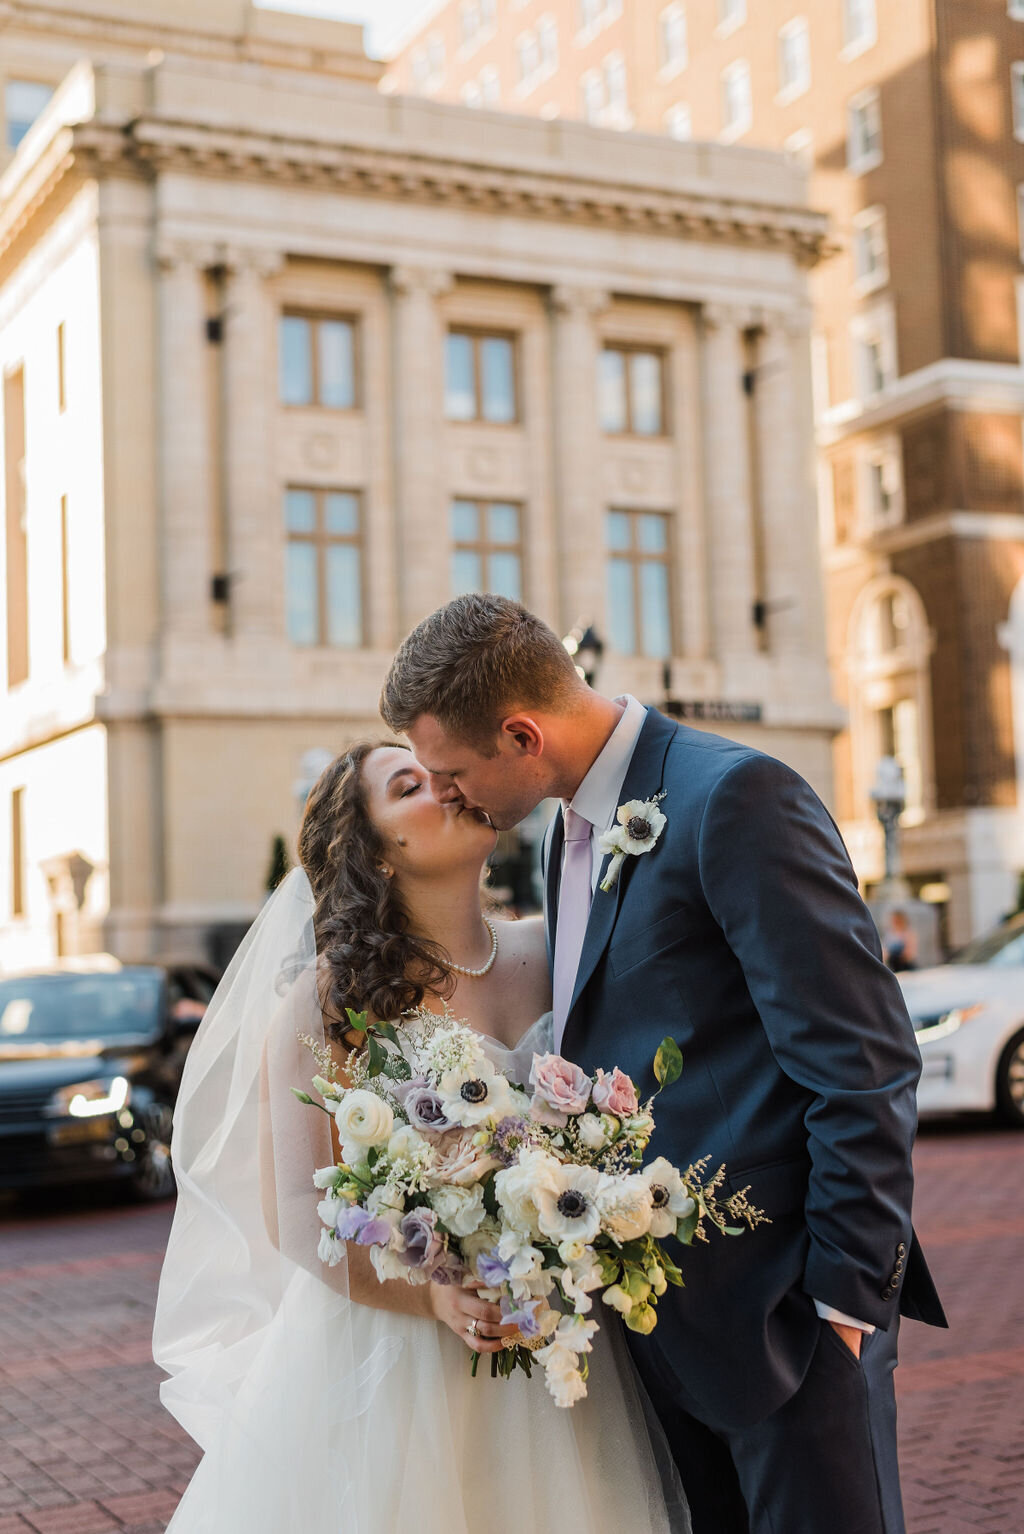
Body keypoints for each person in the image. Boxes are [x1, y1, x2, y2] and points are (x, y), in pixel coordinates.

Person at [379, 593, 948, 1534]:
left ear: (521, 734)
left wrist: (844, 1308)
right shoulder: (567, 830)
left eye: (450, 772)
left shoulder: (735, 797)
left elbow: (865, 1061)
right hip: (662, 1337)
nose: (444, 794)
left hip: (786, 1323)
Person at [152, 741, 689, 1534]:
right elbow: (298, 1215)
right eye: (410, 787)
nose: (445, 785)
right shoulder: (330, 998)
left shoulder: (557, 951)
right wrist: (433, 1293)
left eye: (443, 769)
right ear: (378, 851)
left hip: (561, 1339)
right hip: (397, 1359)